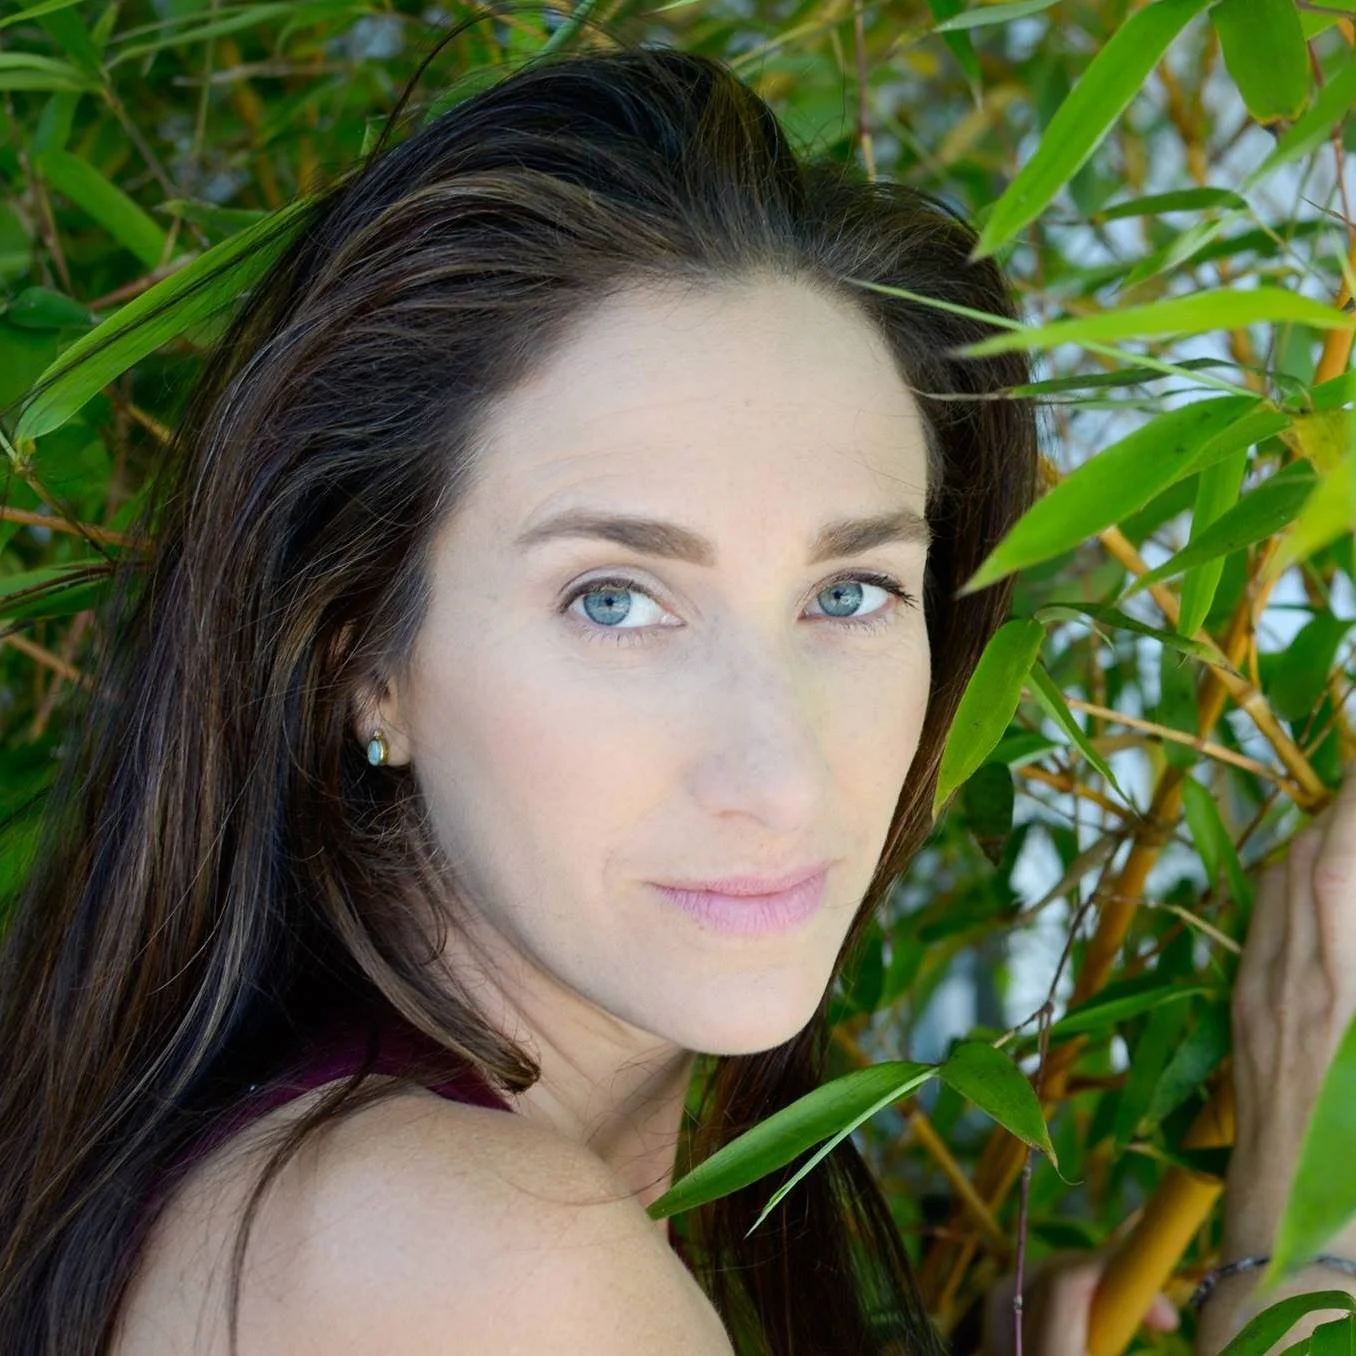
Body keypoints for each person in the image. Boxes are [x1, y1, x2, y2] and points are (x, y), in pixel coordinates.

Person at [0, 31, 1351, 1356]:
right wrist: (1306, 1251)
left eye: (850, 594)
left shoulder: (348, 1197)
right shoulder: (483, 1268)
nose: (780, 776)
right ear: (366, 660)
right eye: (615, 602)